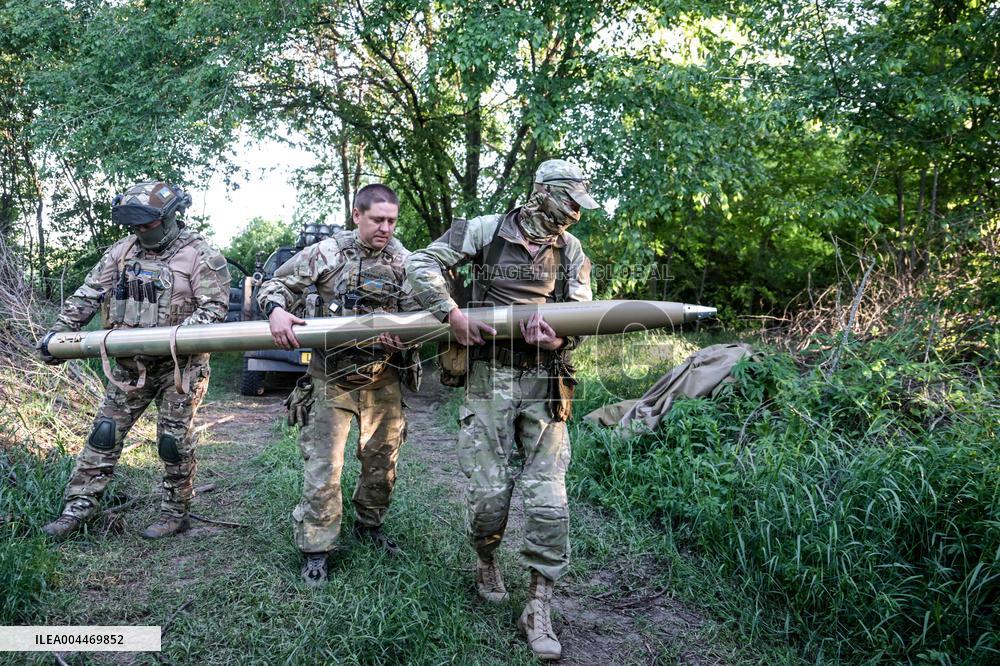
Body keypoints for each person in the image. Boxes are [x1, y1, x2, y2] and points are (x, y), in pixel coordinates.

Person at [406, 159, 598, 660]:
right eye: (569, 201)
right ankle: (486, 559)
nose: (575, 213)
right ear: (543, 192)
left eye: (579, 205)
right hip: (489, 376)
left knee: (550, 496)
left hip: (545, 380)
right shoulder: (485, 230)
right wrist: (451, 313)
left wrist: (559, 337)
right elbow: (420, 263)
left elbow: (583, 314)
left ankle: (538, 604)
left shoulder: (572, 251)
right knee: (488, 496)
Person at [37, 180, 231, 539]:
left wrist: (172, 339)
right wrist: (60, 334)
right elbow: (89, 293)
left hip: (180, 369)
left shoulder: (200, 255)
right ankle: (77, 509)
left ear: (170, 217)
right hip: (129, 367)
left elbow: (214, 309)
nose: (140, 231)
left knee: (172, 442)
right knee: (104, 434)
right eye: (134, 225)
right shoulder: (122, 252)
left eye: (147, 224)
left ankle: (175, 512)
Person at [257, 183, 421, 587]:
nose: (385, 228)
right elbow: (275, 285)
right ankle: (316, 549)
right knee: (324, 469)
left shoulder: (405, 261)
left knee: (381, 464)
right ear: (357, 215)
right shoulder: (327, 253)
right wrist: (276, 311)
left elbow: (423, 313)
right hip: (331, 378)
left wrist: (406, 337)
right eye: (377, 220)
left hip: (383, 379)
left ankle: (370, 526)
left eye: (392, 221)